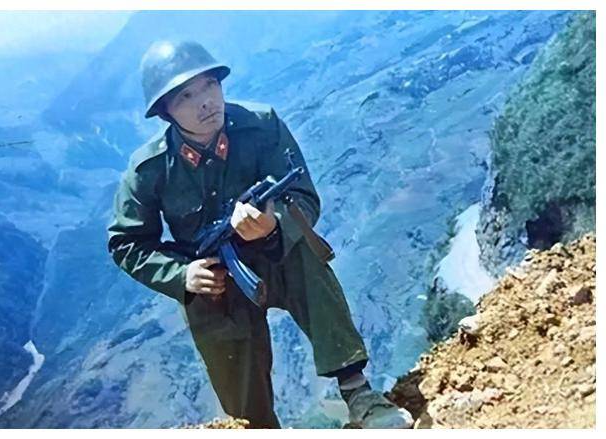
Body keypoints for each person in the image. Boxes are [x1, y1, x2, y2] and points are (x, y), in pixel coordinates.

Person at [107, 40, 414, 429]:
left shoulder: (261, 125)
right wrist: (182, 275)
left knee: (304, 252)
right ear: (165, 110)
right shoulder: (149, 170)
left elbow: (303, 197)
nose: (205, 102)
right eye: (186, 95)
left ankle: (359, 394)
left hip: (275, 255)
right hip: (215, 284)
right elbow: (126, 242)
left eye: (209, 85)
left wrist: (273, 227)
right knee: (247, 413)